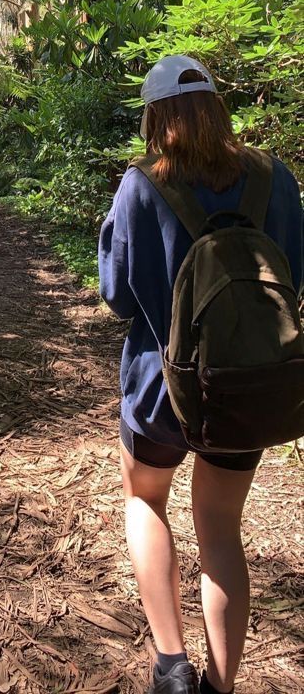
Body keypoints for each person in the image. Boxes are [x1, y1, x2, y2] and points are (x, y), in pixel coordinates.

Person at [98, 55, 303, 694]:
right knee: (221, 530)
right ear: (217, 107)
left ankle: (170, 666)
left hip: (162, 389)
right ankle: (220, 683)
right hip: (248, 387)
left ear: (155, 116)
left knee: (144, 499)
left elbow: (117, 294)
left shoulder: (143, 185)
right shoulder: (277, 179)